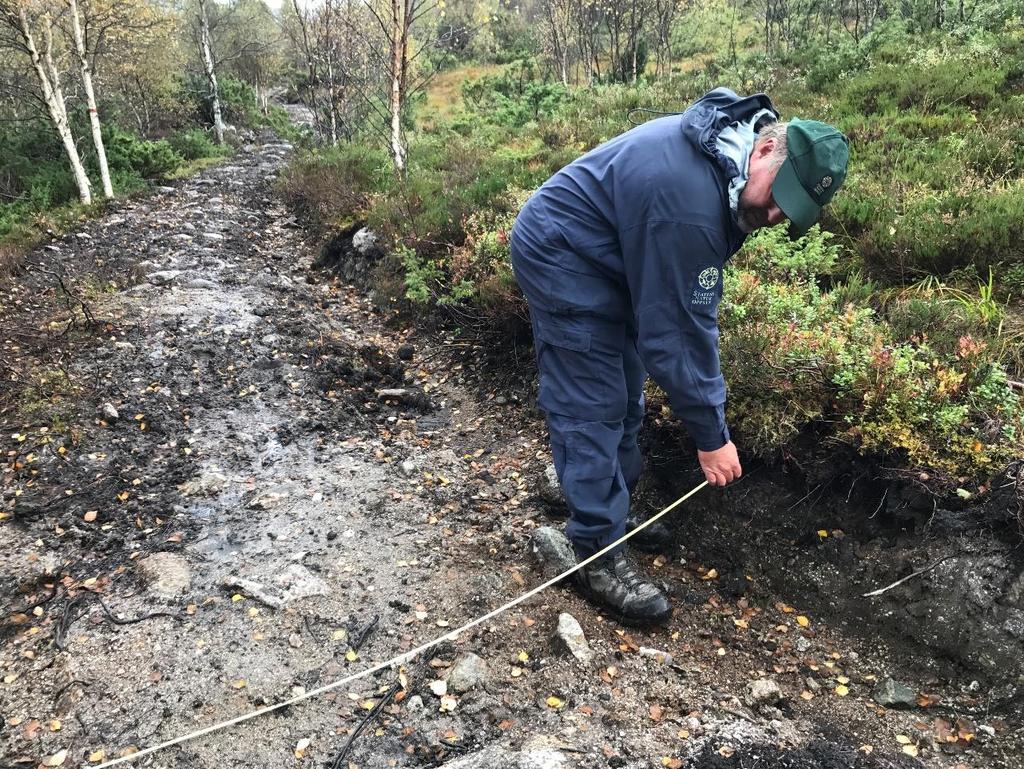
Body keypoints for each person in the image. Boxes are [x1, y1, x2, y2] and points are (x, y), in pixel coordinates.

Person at [510, 87, 849, 625]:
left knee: (626, 390)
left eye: (794, 209)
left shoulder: (728, 169)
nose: (778, 212)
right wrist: (712, 437)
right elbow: (677, 333)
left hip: (616, 254)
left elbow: (674, 317)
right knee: (592, 400)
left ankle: (608, 507)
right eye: (781, 194)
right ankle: (596, 548)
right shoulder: (690, 200)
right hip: (563, 254)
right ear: (763, 152)